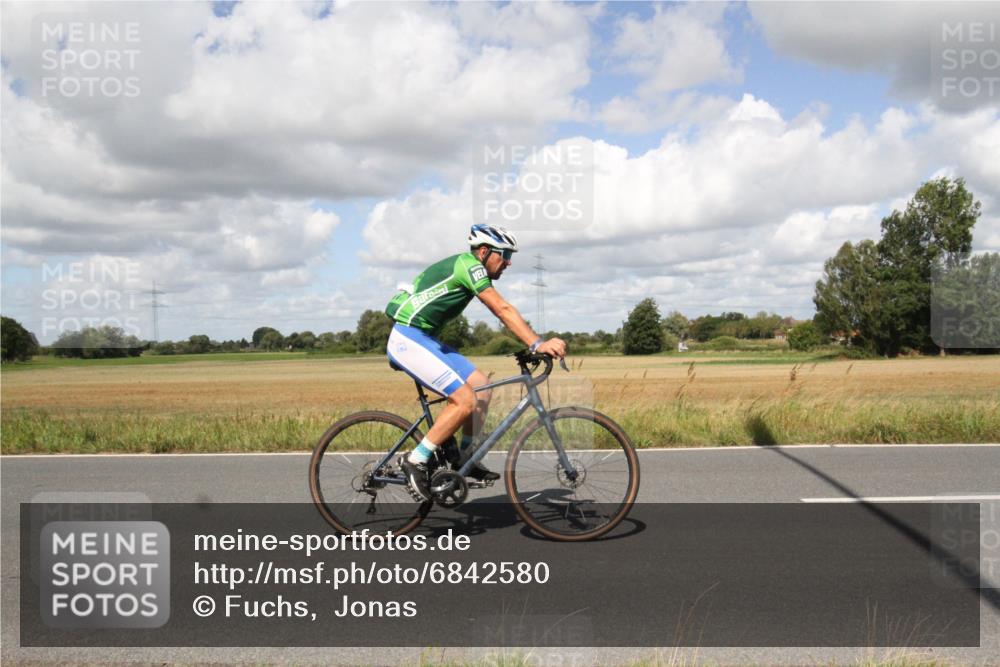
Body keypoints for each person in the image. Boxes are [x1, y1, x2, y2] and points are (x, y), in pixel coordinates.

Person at [385, 224, 566, 501]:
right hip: (408, 338)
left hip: (423, 338)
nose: (508, 261)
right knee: (465, 400)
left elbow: (502, 311)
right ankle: (416, 460)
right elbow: (502, 309)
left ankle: (464, 458)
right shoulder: (469, 266)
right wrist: (537, 343)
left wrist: (531, 343)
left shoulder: (472, 268)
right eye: (503, 254)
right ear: (484, 252)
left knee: (481, 386)